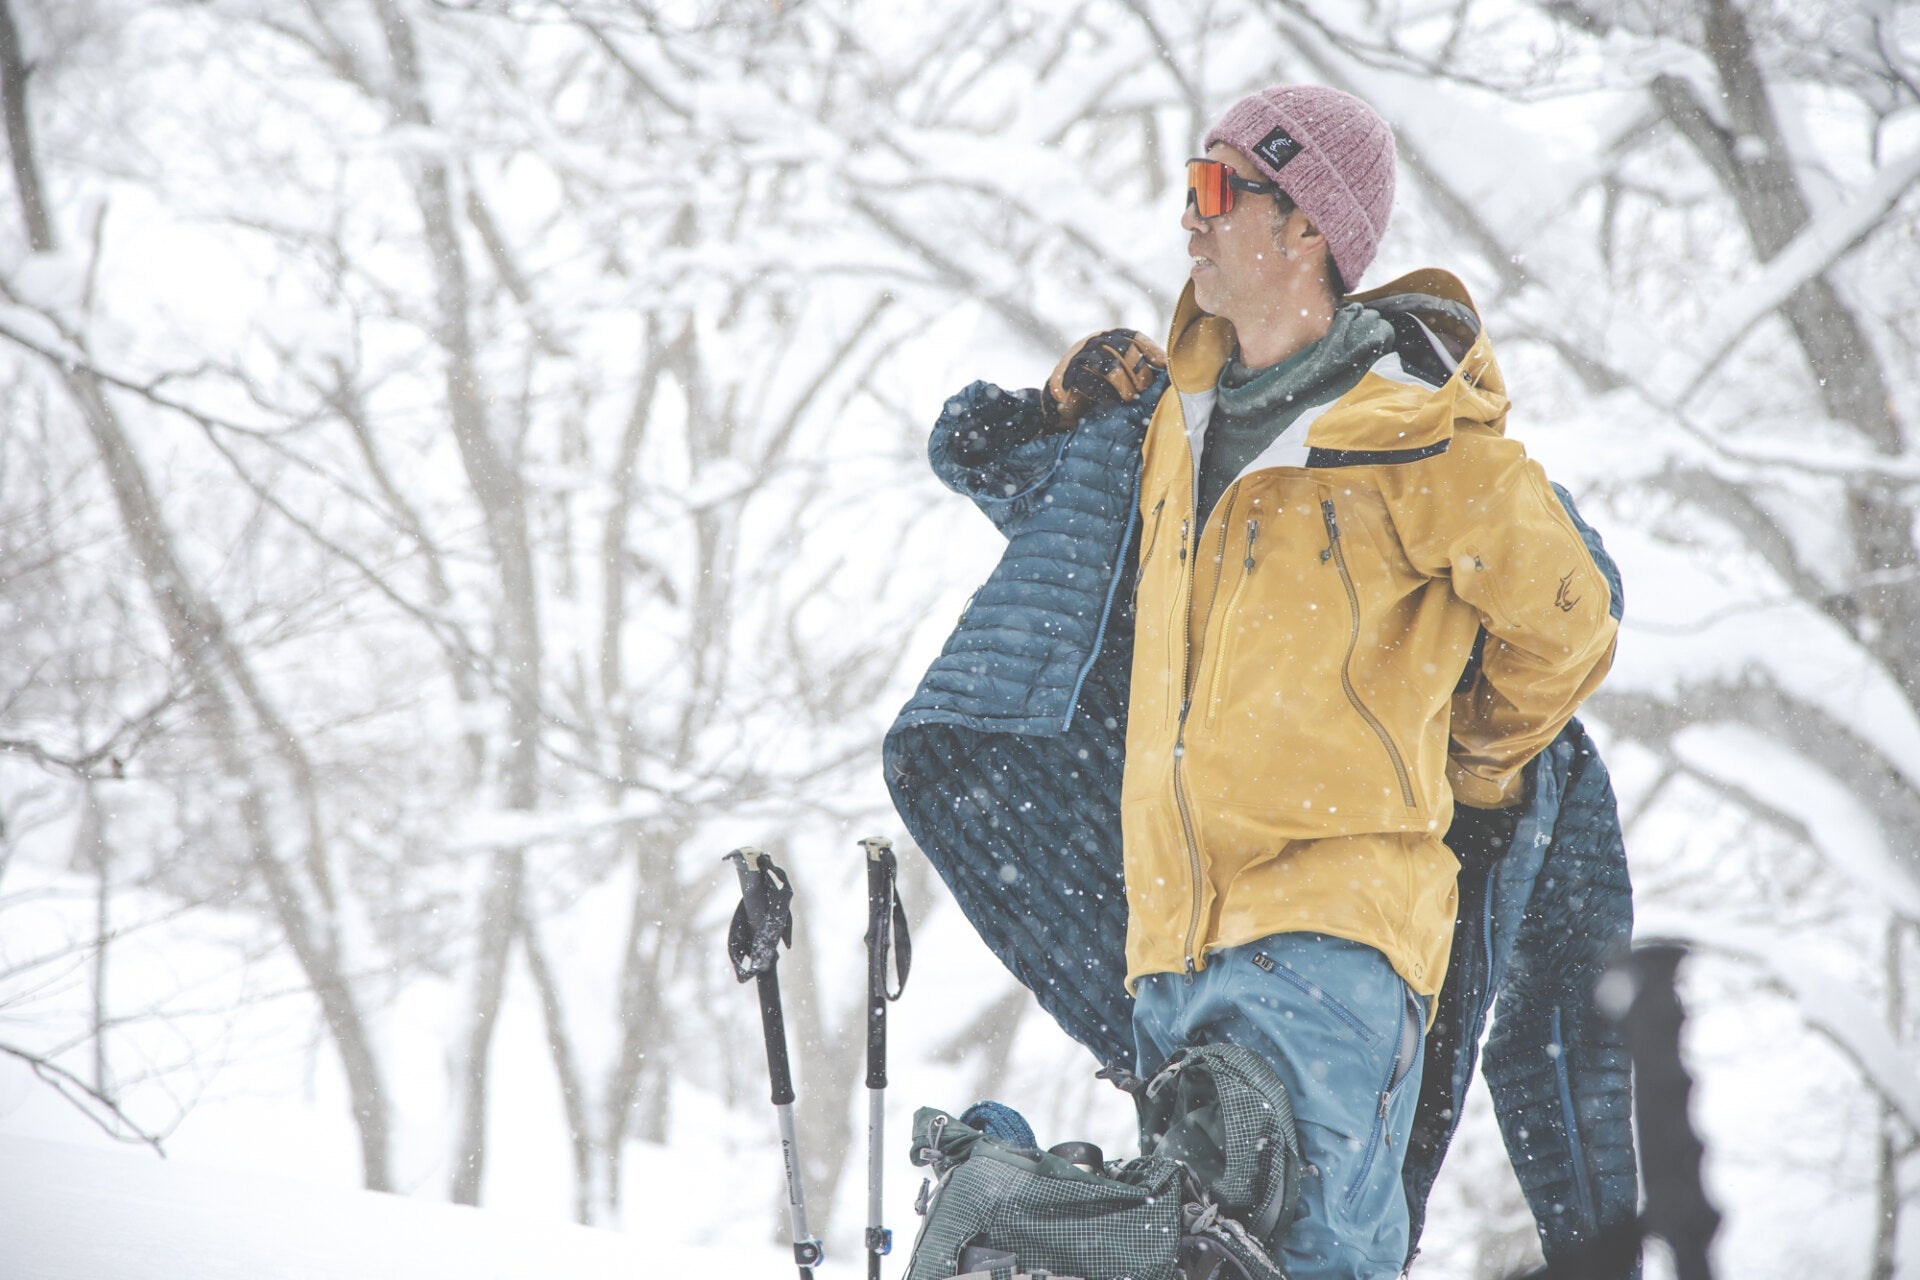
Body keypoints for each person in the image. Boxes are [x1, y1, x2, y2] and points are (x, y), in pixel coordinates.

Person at [885, 85, 1632, 1279]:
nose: (1191, 219)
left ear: (1308, 230)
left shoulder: (1416, 438)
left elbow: (1571, 621)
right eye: (1192, 187)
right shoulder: (1174, 430)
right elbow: (1063, 556)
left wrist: (1472, 759)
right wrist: (1056, 418)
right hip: (1174, 953)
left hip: (1331, 943)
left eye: (1219, 191)